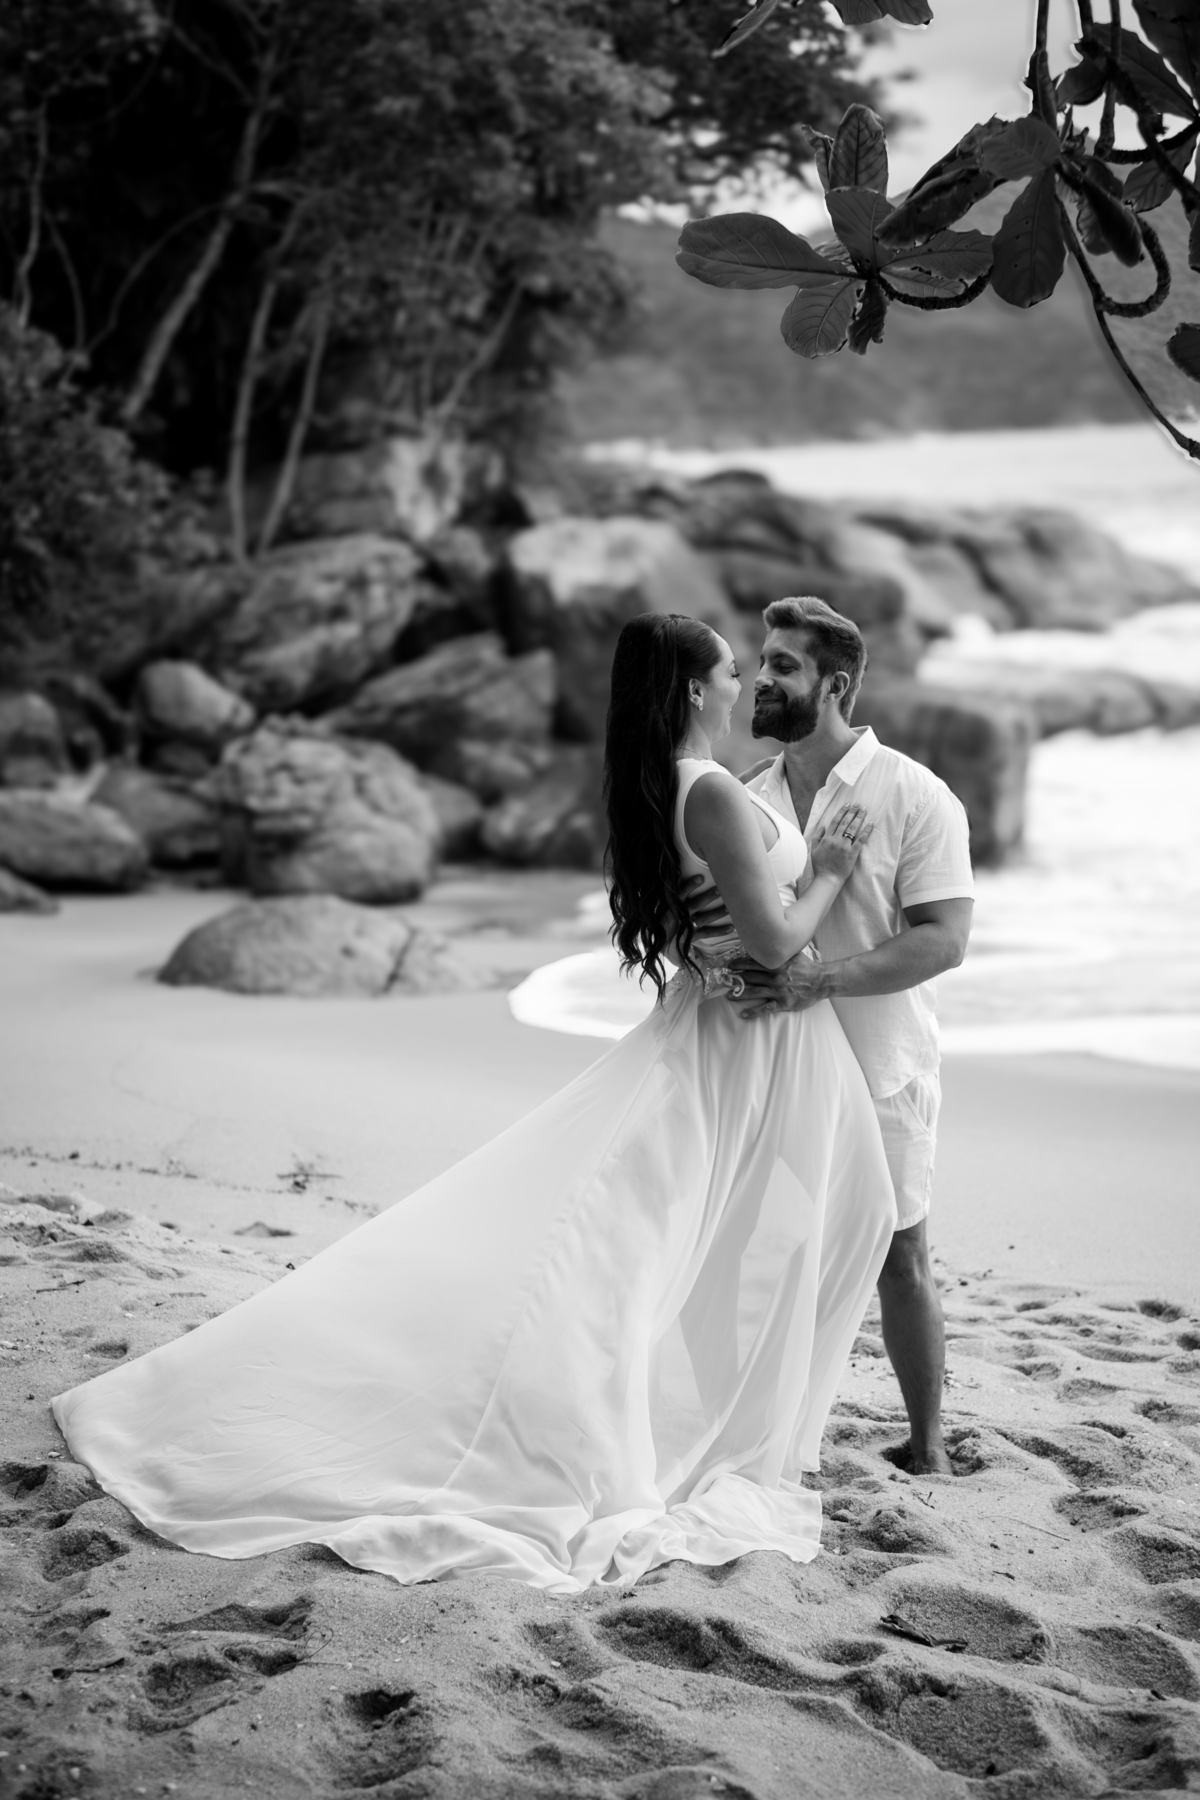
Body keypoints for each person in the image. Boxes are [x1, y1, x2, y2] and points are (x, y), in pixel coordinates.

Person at [51, 613, 896, 1595]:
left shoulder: (672, 785)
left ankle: (702, 1416)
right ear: (693, 691)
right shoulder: (706, 791)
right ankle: (653, 1430)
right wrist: (829, 867)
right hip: (743, 1048)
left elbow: (698, 925)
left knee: (700, 1238)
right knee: (678, 1242)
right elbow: (778, 939)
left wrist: (721, 953)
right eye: (731, 670)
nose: (744, 682)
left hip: (742, 1033)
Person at [687, 596, 974, 1476]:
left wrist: (825, 980)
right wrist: (725, 972)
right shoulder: (750, 797)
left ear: (836, 685)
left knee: (901, 1256)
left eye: (783, 665)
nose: (761, 679)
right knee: (738, 1246)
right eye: (760, 662)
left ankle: (928, 1447)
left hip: (881, 1067)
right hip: (772, 1066)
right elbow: (725, 924)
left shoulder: (913, 794)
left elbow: (944, 940)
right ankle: (729, 1430)